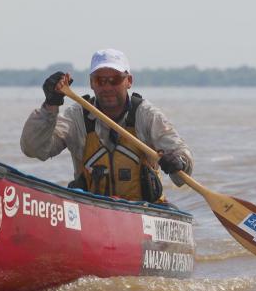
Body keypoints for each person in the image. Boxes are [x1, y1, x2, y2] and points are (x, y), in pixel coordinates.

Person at [20, 48, 193, 204]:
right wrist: (50, 106)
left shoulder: (147, 115)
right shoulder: (76, 117)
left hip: (143, 211)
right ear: (91, 83)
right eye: (100, 81)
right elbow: (34, 150)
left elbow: (183, 167)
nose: (107, 87)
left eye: (115, 80)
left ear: (129, 81)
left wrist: (178, 162)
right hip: (91, 212)